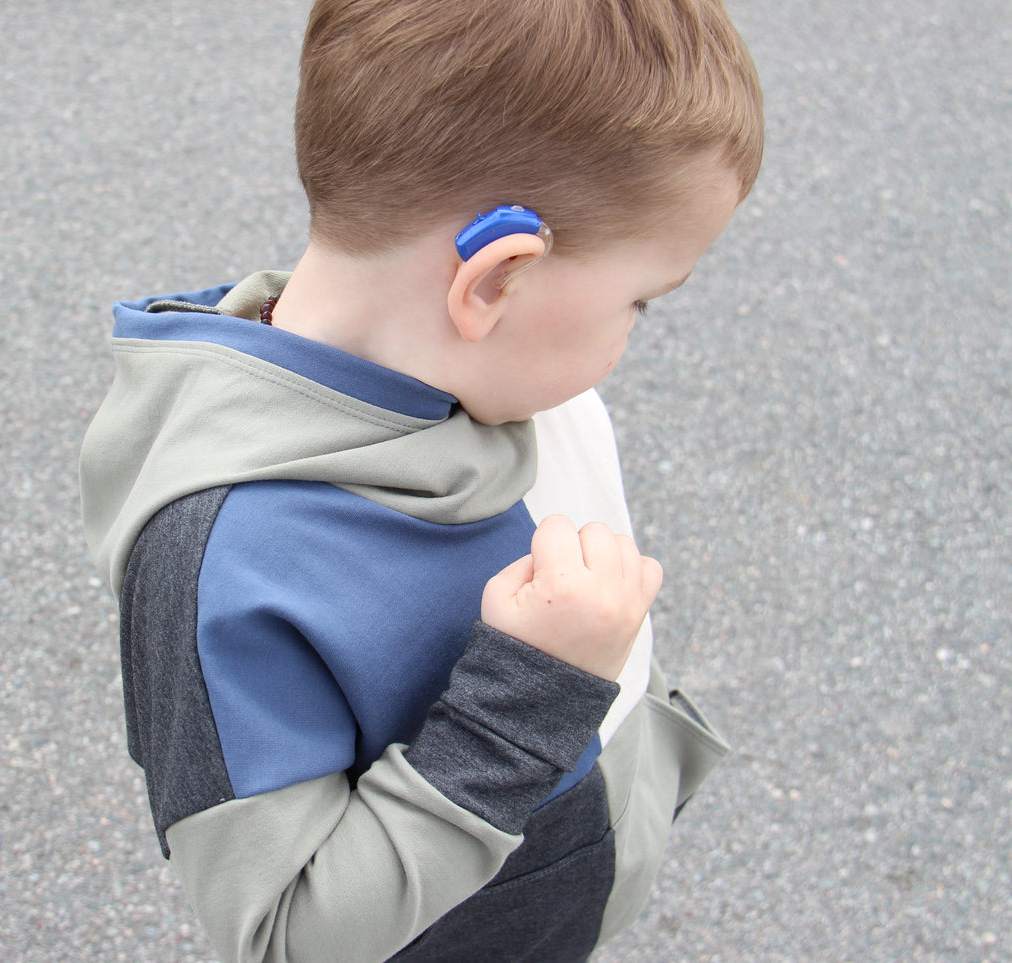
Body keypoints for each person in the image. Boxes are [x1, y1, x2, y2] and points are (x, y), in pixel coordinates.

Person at [79, 0, 763, 959]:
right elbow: (283, 935)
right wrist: (536, 689)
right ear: (494, 280)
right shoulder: (222, 563)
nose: (627, 339)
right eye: (638, 302)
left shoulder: (492, 378)